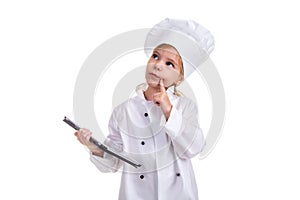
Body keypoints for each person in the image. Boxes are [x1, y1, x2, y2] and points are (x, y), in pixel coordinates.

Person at [74, 18, 214, 200]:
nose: (157, 65)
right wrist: (94, 147)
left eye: (169, 63)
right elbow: (113, 162)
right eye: (155, 56)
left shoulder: (185, 107)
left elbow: (193, 148)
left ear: (179, 78)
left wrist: (168, 109)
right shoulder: (123, 112)